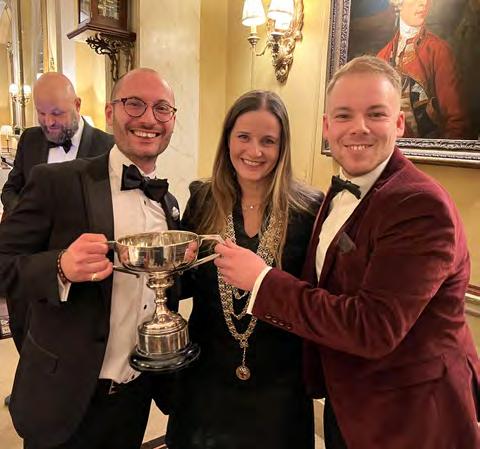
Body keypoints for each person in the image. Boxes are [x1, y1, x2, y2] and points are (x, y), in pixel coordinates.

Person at [215, 56, 480, 449]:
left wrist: (261, 280)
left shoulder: (420, 205)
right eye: (344, 115)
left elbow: (373, 328)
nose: (359, 127)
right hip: (350, 404)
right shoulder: (339, 191)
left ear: (399, 123)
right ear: (327, 127)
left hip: (412, 417)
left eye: (375, 114)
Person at [0, 68, 180, 449]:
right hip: (63, 398)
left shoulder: (168, 204)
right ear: (110, 112)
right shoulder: (56, 182)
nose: (149, 118)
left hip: (134, 398)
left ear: (172, 120)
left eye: (162, 108)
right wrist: (60, 267)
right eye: (135, 104)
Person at [165, 90, 323, 449]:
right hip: (205, 382)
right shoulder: (203, 198)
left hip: (278, 386)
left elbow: (312, 299)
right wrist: (176, 265)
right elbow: (186, 284)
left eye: (268, 141)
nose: (255, 151)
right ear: (228, 140)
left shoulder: (309, 208)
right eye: (244, 137)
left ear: (282, 147)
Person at [1, 72, 113, 215]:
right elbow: (10, 190)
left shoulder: (108, 147)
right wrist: (25, 215)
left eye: (57, 113)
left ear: (77, 105)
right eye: (41, 113)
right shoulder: (29, 139)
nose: (49, 122)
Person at [377, 0, 472, 139]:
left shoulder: (439, 51)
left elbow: (457, 121)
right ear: (398, 3)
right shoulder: (382, 58)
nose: (424, 3)